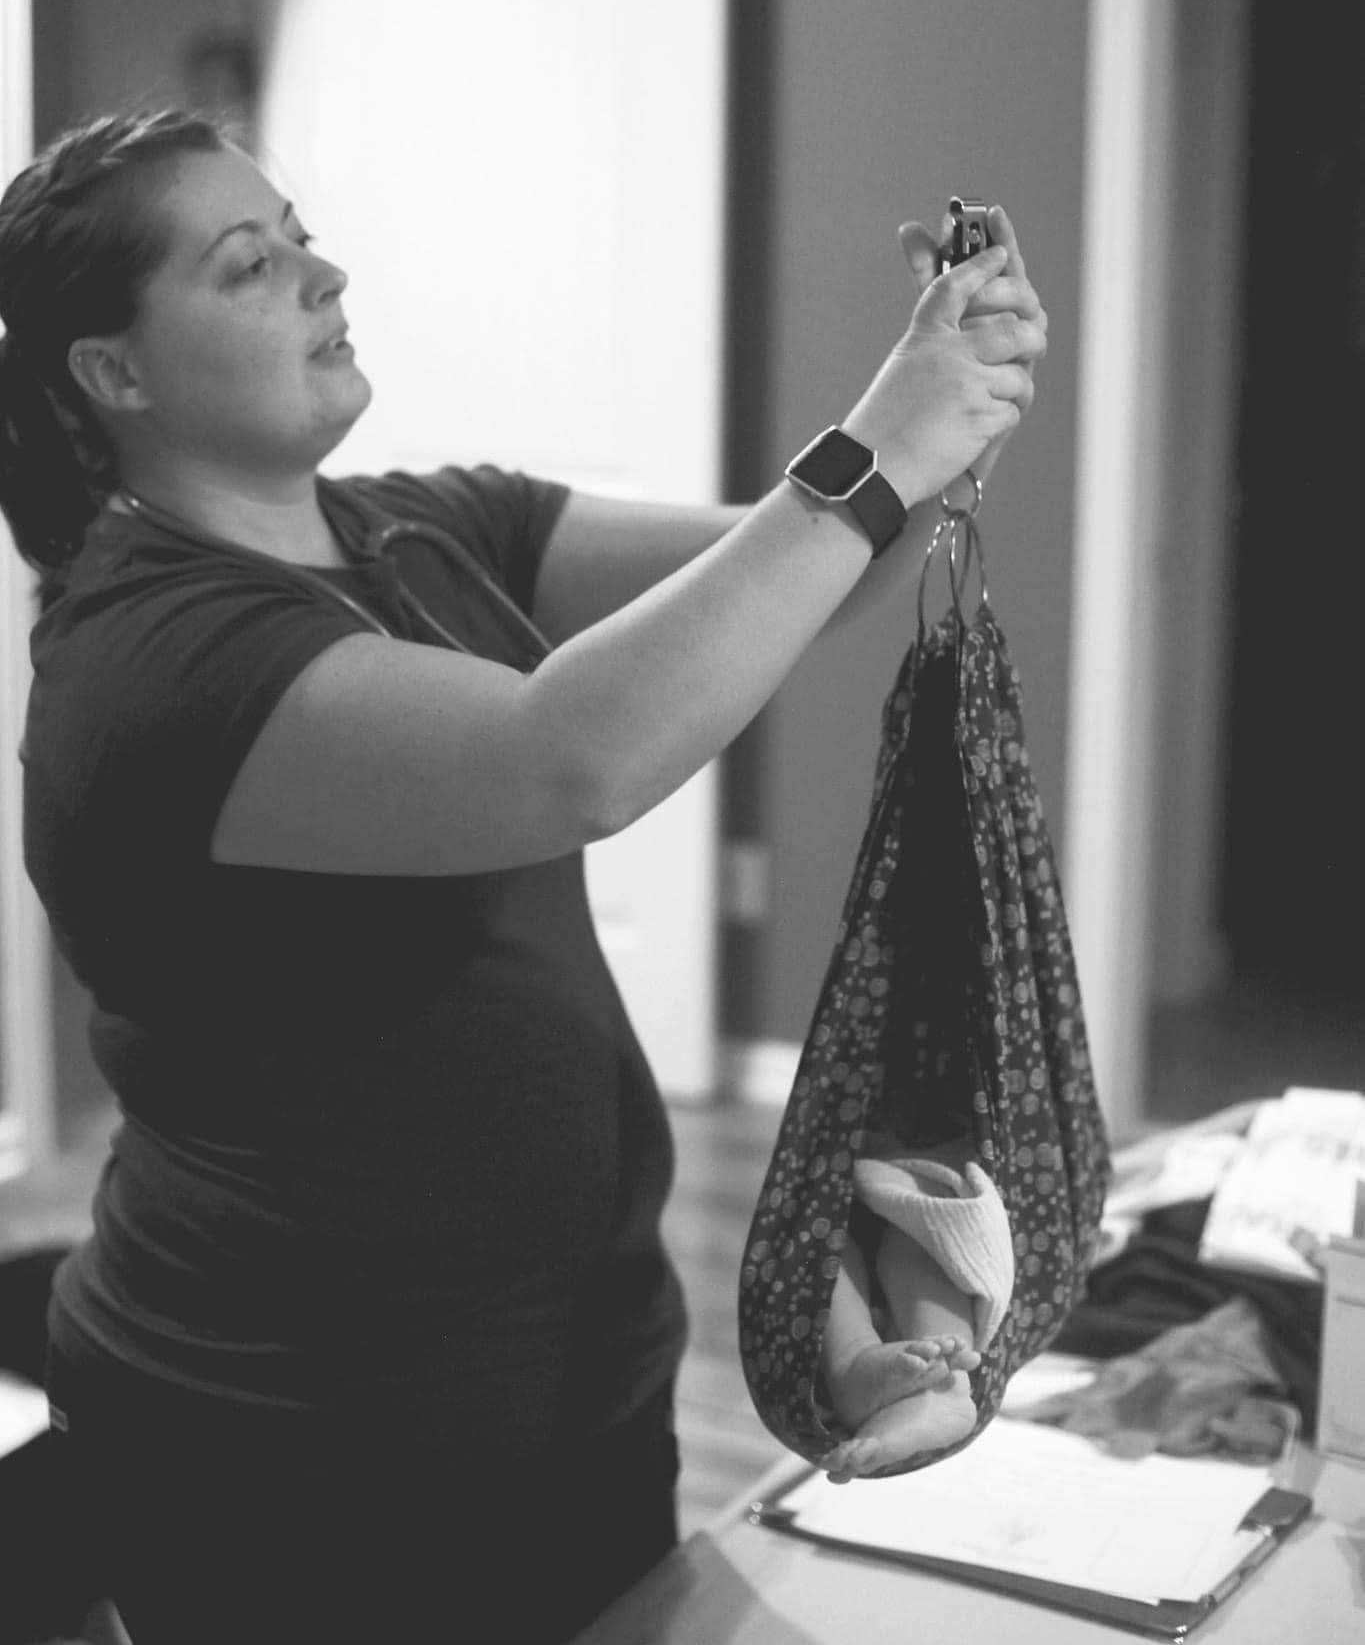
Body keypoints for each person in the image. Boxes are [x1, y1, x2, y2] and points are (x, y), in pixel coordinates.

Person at [0, 109, 1046, 1643]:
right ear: (114, 372)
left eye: (300, 233)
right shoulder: (154, 660)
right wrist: (889, 434)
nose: (322, 274)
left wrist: (960, 397)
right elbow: (578, 757)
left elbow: (819, 576)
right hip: (304, 1444)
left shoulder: (424, 527)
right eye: (251, 264)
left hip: (569, 1382)